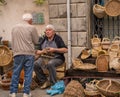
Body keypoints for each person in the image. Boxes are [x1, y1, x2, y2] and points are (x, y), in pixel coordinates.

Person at [9, 13, 39, 97]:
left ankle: (13, 92)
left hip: (18, 53)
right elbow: (36, 41)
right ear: (30, 20)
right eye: (32, 20)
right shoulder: (32, 28)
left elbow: (13, 41)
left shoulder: (14, 27)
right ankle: (26, 93)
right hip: (29, 53)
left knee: (16, 73)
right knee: (28, 73)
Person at [34, 24, 68, 89]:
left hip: (57, 58)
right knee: (35, 64)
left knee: (50, 63)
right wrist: (42, 51)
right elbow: (37, 51)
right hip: (45, 57)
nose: (47, 32)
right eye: (46, 30)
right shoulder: (43, 39)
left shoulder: (57, 38)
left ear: (53, 32)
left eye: (49, 30)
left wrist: (54, 49)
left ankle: (53, 83)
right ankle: (44, 81)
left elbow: (65, 50)